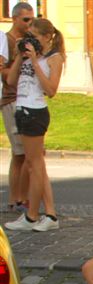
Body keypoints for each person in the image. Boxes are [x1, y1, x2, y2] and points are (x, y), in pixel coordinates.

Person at [4, 17, 64, 232]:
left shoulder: (54, 58)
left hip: (35, 112)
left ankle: (31, 216)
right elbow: (10, 81)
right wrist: (20, 57)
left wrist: (36, 63)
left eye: (35, 37)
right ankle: (50, 214)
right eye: (29, 36)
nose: (32, 40)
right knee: (36, 165)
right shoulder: (28, 56)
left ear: (47, 37)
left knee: (34, 165)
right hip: (22, 110)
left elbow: (51, 90)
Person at [0, 2, 34, 214]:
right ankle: (18, 198)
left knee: (20, 153)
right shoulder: (7, 40)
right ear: (14, 19)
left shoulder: (29, 39)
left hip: (26, 98)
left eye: (32, 19)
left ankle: (17, 198)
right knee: (21, 151)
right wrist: (18, 67)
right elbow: (3, 71)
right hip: (11, 98)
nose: (29, 23)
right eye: (26, 19)